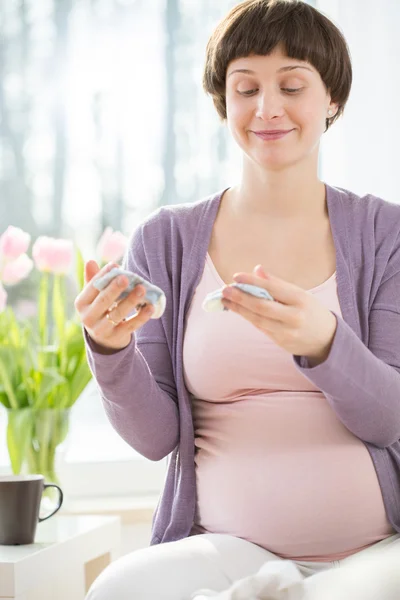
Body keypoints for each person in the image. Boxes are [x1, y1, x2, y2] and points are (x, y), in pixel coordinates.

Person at [75, 0, 400, 598]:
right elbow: (154, 439)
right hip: (227, 547)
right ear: (225, 103)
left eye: (292, 85)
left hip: (379, 550)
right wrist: (110, 348)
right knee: (117, 590)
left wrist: (324, 343)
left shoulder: (386, 235)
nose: (266, 107)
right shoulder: (166, 240)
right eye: (245, 87)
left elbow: (389, 418)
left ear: (332, 100)